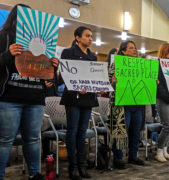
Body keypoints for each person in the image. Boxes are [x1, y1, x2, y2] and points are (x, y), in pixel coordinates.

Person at [0, 4, 58, 180]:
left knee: (33, 139)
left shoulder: (43, 41)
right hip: (10, 97)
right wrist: (8, 54)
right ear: (16, 18)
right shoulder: (3, 37)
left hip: (35, 97)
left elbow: (46, 74)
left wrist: (52, 68)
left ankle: (35, 174)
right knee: (5, 140)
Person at [60, 26, 104, 179]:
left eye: (91, 36)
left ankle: (81, 164)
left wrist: (101, 85)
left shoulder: (93, 56)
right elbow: (65, 76)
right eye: (87, 36)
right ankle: (73, 166)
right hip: (73, 97)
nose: (90, 38)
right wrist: (77, 86)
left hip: (88, 98)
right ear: (77, 38)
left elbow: (95, 78)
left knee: (82, 132)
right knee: (72, 131)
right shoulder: (68, 53)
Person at [111, 40, 145, 167]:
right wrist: (114, 80)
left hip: (137, 104)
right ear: (123, 51)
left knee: (135, 132)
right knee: (121, 132)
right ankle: (118, 158)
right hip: (123, 105)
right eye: (131, 48)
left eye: (135, 48)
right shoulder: (116, 64)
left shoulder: (141, 65)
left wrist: (153, 82)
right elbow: (110, 83)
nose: (134, 50)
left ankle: (133, 156)